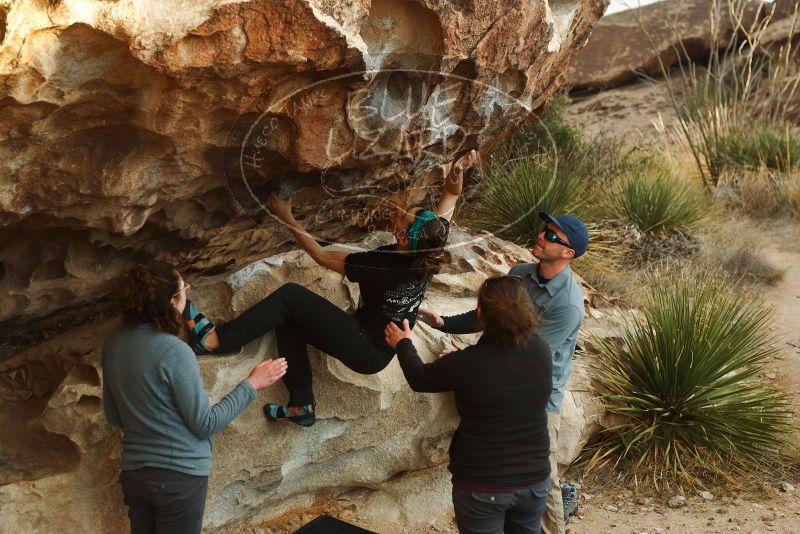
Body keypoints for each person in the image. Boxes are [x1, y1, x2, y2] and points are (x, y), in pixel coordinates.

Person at [183, 150, 478, 427]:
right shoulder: (428, 247)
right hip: (378, 341)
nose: (400, 211)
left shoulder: (382, 267)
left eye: (404, 217)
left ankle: (218, 339)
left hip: (368, 346)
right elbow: (451, 194)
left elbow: (322, 256)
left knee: (290, 296)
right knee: (290, 325)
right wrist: (457, 170)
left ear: (402, 238)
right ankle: (302, 405)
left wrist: (286, 215)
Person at [417, 212, 588, 534]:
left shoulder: (568, 305)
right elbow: (490, 316)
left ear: (568, 253)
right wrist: (443, 322)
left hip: (538, 396)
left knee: (544, 479)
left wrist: (467, 360)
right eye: (544, 230)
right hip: (499, 375)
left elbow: (528, 357)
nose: (541, 236)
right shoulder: (520, 274)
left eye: (552, 236)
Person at [102, 261, 288, 534]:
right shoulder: (174, 352)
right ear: (173, 301)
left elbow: (114, 415)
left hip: (135, 474)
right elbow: (205, 424)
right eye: (184, 289)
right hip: (178, 477)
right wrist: (251, 384)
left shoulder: (114, 343)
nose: (186, 294)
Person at [385, 275, 552, 534]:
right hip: (534, 480)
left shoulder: (466, 363)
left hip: (483, 483)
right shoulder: (541, 350)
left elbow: (420, 378)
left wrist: (403, 343)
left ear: (481, 314)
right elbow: (502, 370)